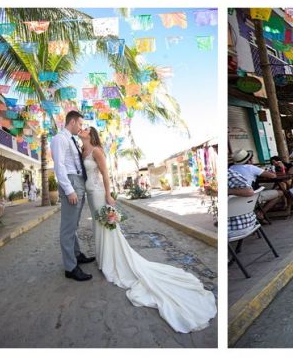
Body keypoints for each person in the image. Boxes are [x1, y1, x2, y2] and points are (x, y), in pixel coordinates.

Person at [78, 126, 216, 333]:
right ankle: (104, 258)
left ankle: (111, 261)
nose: (81, 129)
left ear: (91, 134)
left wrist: (108, 195)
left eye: (85, 128)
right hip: (90, 194)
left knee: (106, 226)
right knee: (98, 228)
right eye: (80, 127)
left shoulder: (97, 150)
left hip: (98, 193)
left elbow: (105, 174)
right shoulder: (83, 150)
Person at [51, 110, 95, 282]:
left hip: (78, 181)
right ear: (73, 121)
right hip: (71, 182)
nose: (81, 127)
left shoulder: (71, 139)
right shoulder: (59, 139)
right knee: (68, 227)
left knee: (74, 224)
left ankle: (77, 255)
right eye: (80, 124)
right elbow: (59, 166)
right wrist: (69, 190)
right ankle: (70, 267)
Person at [229, 149, 283, 223]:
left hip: (234, 200)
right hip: (250, 197)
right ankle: (260, 213)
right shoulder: (250, 167)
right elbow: (273, 176)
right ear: (249, 160)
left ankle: (257, 211)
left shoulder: (230, 169)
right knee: (280, 193)